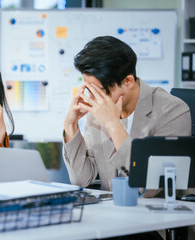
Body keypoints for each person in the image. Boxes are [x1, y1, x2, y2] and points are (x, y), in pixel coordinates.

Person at [63, 36, 191, 194]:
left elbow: (148, 187)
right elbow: (81, 180)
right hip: (114, 212)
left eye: (100, 90)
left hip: (158, 213)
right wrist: (70, 125)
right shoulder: (96, 113)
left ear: (128, 81)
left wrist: (112, 125)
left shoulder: (173, 111)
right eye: (90, 89)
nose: (95, 98)